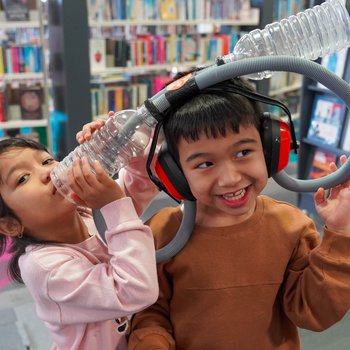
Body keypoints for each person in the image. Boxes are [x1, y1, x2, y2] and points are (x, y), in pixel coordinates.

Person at [126, 75, 350, 350]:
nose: (230, 178)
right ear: (175, 173)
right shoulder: (163, 234)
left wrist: (340, 234)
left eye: (243, 152)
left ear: (269, 149)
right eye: (205, 163)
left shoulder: (292, 227)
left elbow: (314, 312)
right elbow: (149, 312)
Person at [0, 136, 159, 350]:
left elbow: (145, 180)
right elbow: (137, 291)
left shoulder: (87, 212)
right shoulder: (43, 267)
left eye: (46, 161)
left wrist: (124, 143)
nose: (48, 173)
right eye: (23, 179)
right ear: (10, 225)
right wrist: (114, 205)